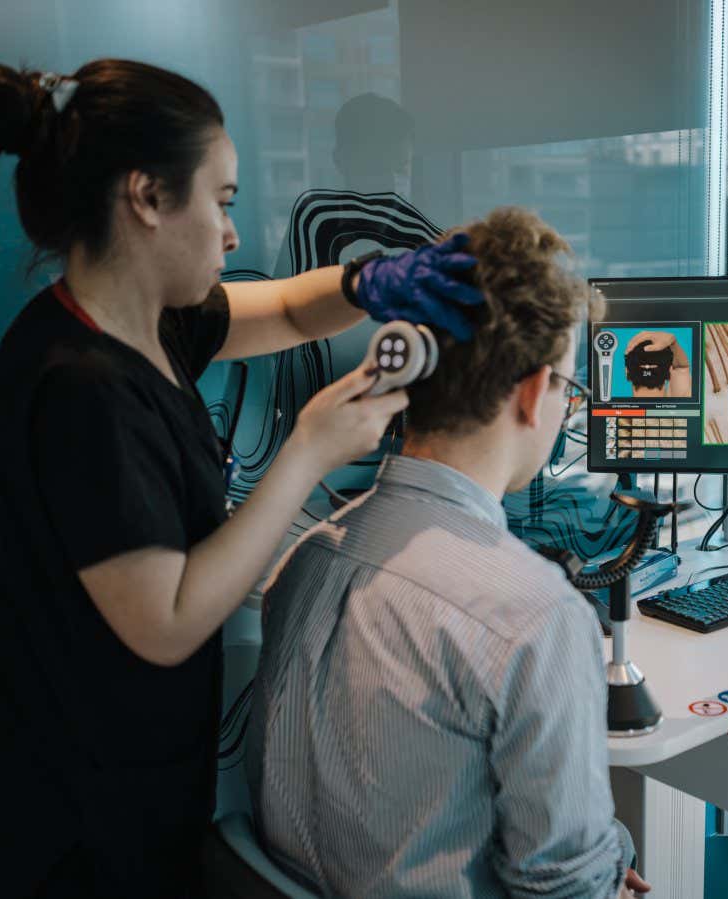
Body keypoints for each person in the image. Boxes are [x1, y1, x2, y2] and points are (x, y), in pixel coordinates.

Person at [0, 59, 485, 898]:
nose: (233, 234)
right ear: (148, 197)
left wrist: (371, 281)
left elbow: (293, 311)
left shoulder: (149, 325)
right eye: (221, 202)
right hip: (60, 829)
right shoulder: (79, 384)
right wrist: (307, 448)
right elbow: (169, 620)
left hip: (131, 789)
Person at [248, 207, 652, 899]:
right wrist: (610, 861)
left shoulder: (306, 558)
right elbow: (566, 890)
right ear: (533, 393)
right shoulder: (537, 614)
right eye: (569, 387)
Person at [623, 330, 692, 398]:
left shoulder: (616, 406)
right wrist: (673, 342)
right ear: (669, 371)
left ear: (627, 371)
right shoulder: (684, 402)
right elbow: (681, 368)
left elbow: (681, 368)